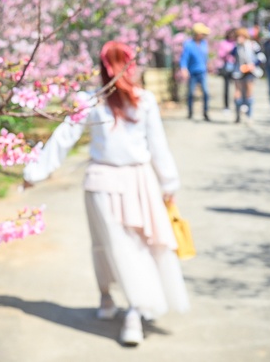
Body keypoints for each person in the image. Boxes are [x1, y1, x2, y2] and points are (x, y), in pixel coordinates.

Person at [23, 41, 189, 346]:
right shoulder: (138, 100)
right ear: (131, 65)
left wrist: (36, 173)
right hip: (134, 180)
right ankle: (130, 308)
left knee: (107, 244)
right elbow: (158, 146)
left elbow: (64, 137)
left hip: (107, 180)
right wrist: (169, 185)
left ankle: (117, 303)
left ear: (102, 67)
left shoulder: (92, 100)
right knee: (131, 246)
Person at [230, 28, 265, 123]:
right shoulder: (236, 47)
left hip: (250, 71)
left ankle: (249, 115)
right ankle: (237, 114)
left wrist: (252, 65)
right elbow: (232, 56)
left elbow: (261, 57)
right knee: (237, 92)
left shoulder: (253, 45)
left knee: (249, 91)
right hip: (239, 71)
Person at [179, 23, 211, 121]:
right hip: (192, 72)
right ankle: (190, 112)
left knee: (205, 92)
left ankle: (205, 112)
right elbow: (184, 58)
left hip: (202, 71)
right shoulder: (189, 45)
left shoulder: (204, 44)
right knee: (191, 93)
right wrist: (184, 69)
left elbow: (205, 57)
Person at [217, 29, 237, 111]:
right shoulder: (223, 43)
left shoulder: (236, 43)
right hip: (227, 66)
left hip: (236, 66)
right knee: (226, 88)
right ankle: (226, 106)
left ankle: (237, 105)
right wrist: (227, 52)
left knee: (237, 87)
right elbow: (220, 54)